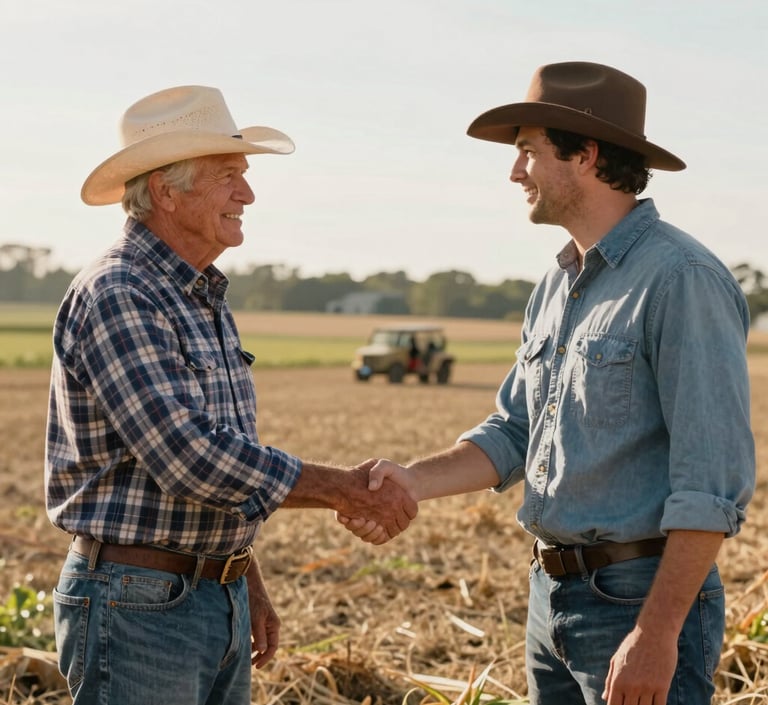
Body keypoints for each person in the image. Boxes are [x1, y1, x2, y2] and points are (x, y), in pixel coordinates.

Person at [340, 62, 755, 705]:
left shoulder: (682, 279)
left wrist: (655, 633)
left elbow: (711, 482)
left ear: (585, 155)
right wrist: (412, 481)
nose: (515, 172)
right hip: (549, 596)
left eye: (528, 152)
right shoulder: (556, 286)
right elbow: (515, 431)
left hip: (637, 602)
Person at [44, 84, 417, 705]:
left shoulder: (200, 295)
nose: (247, 194)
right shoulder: (121, 292)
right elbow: (188, 456)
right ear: (166, 190)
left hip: (203, 596)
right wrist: (340, 488)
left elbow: (223, 459)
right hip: (137, 606)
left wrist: (241, 575)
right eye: (229, 176)